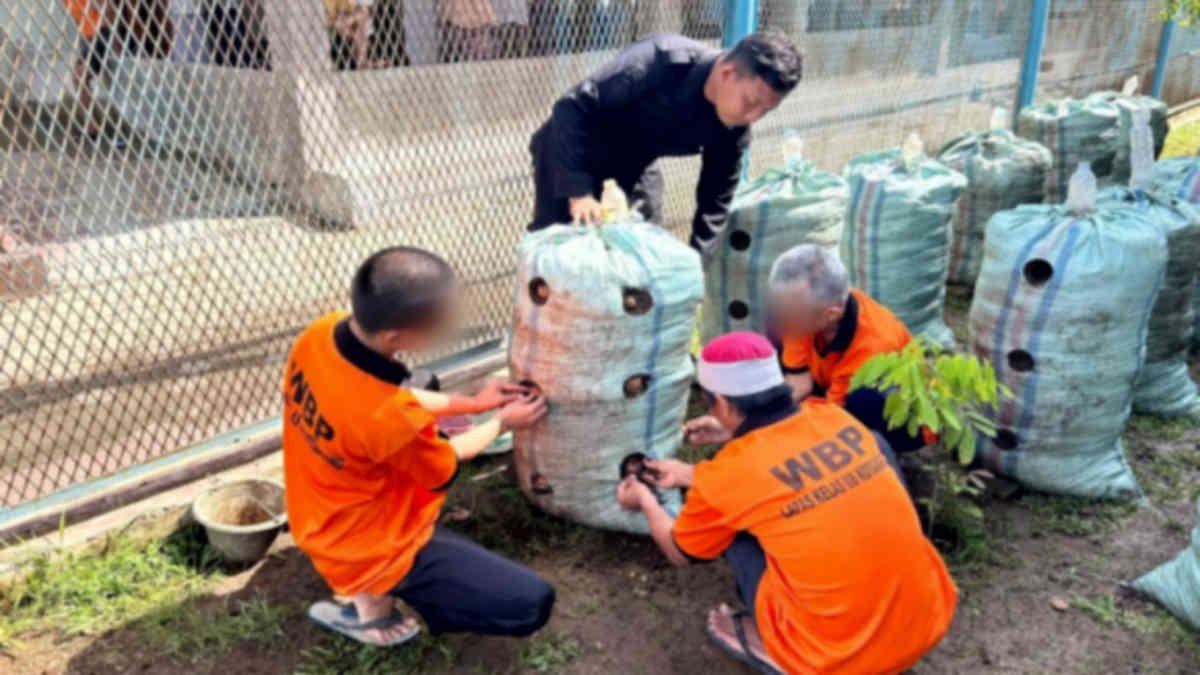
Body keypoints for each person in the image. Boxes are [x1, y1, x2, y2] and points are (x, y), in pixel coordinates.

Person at [616, 332, 957, 674]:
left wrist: (645, 500)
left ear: (720, 402)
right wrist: (723, 443)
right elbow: (783, 469)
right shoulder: (834, 418)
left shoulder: (727, 477)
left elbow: (679, 551)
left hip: (840, 659)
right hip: (926, 620)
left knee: (734, 531)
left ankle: (774, 647)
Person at [283, 246, 555, 647]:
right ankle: (371, 603)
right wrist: (501, 422)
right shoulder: (387, 420)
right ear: (398, 337)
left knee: (422, 382)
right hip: (362, 541)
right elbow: (444, 462)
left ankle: (366, 591)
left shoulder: (322, 333)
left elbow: (390, 396)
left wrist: (475, 403)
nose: (449, 323)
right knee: (531, 603)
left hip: (316, 503)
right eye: (439, 320)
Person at [528, 32, 803, 257]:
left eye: (765, 111)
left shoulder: (733, 127)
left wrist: (696, 268)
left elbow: (715, 203)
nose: (753, 117)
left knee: (643, 250)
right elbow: (571, 107)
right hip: (573, 146)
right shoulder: (659, 63)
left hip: (635, 158)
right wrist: (579, 192)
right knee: (558, 251)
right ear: (727, 73)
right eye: (751, 102)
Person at [768, 243, 929, 454]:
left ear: (831, 314)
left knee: (865, 399)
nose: (784, 318)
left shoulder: (874, 344)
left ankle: (874, 454)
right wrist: (761, 419)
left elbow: (833, 413)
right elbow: (799, 381)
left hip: (899, 418)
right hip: (832, 382)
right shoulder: (803, 311)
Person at [64, 0, 117, 138]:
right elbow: (78, 18)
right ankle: (93, 126)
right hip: (91, 36)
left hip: (103, 33)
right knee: (78, 77)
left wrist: (115, 40)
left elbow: (108, 8)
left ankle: (96, 127)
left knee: (80, 75)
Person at [324, 0, 387, 70]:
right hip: (339, 36)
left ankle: (362, 61)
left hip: (360, 34)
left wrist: (348, 19)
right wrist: (337, 22)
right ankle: (362, 62)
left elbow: (367, 9)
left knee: (360, 20)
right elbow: (323, 18)